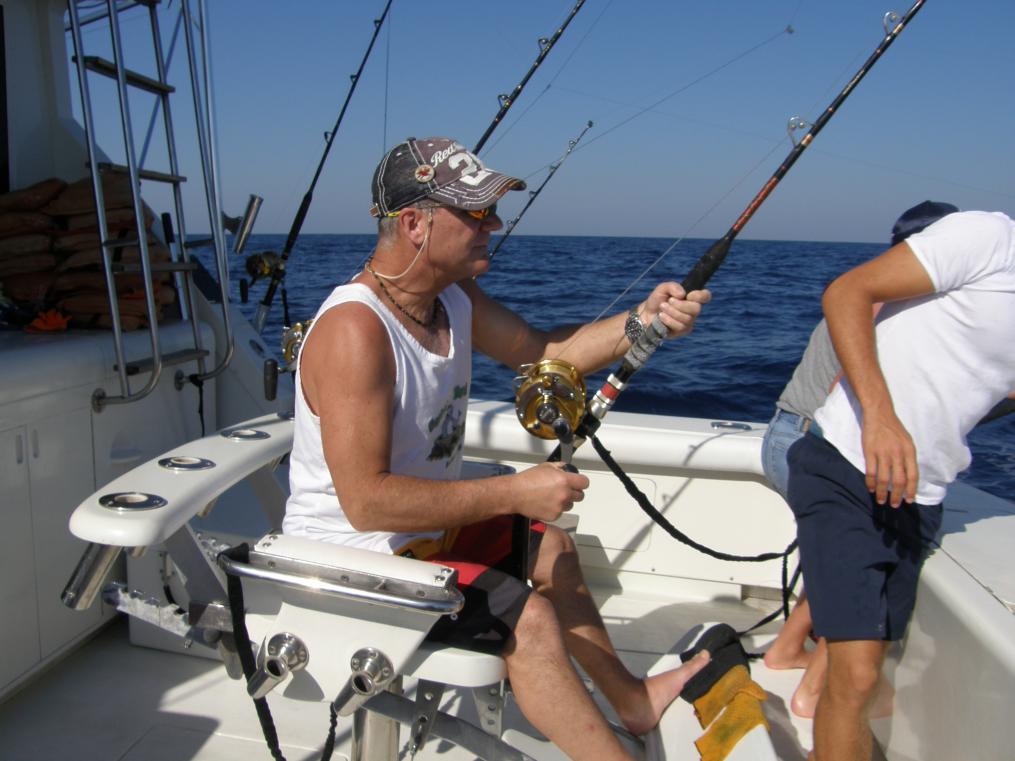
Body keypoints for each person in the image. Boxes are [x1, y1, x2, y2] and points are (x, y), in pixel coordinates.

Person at [281, 137, 713, 760]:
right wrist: (515, 492)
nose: (495, 225)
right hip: (346, 557)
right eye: (477, 213)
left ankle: (632, 701)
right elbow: (366, 503)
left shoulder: (452, 300)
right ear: (414, 224)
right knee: (528, 620)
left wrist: (642, 322)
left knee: (552, 548)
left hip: (416, 537)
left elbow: (544, 353)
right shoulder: (356, 330)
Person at [785, 207, 1015, 761]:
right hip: (845, 464)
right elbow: (846, 292)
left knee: (868, 674)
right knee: (858, 675)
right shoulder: (990, 238)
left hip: (920, 493)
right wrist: (881, 416)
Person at [760, 202, 959, 683]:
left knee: (836, 553)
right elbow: (846, 399)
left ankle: (788, 649)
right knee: (859, 560)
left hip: (786, 432)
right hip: (813, 442)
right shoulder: (894, 308)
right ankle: (818, 684)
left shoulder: (872, 289)